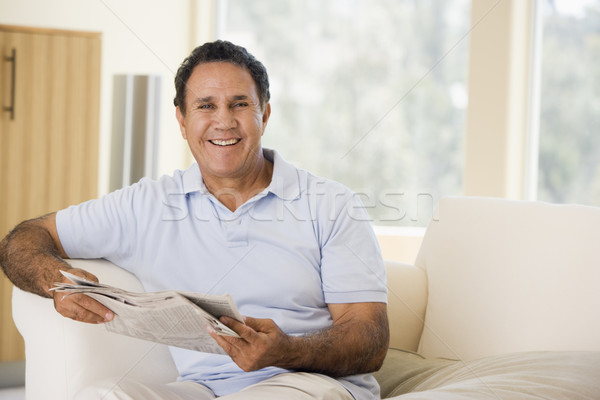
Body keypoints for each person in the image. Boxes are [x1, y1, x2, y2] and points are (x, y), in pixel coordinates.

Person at [0, 40, 389, 400]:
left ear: (264, 115)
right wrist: (55, 283)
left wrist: (288, 350)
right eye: (206, 105)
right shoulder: (146, 204)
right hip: (202, 388)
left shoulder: (332, 204)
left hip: (309, 382)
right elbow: (24, 238)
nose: (224, 121)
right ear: (183, 121)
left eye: (240, 104)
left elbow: (369, 338)